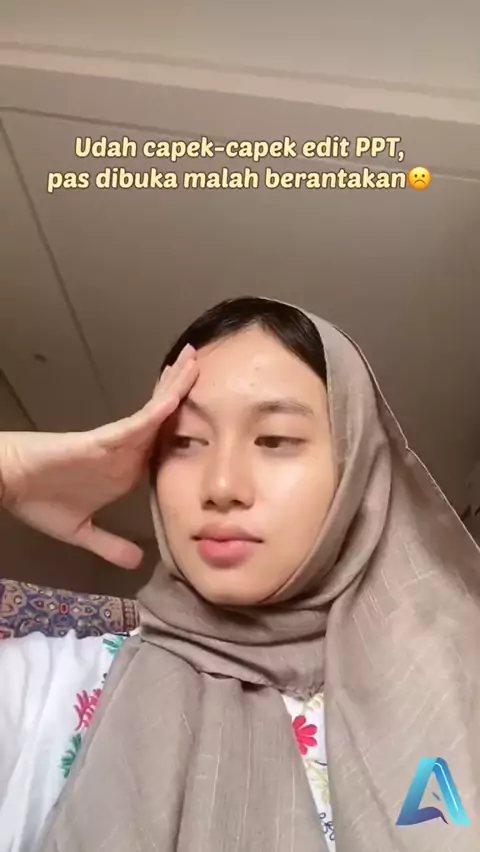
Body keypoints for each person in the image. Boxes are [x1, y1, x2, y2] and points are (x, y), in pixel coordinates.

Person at [0, 296, 479, 852]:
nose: (221, 486)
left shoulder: (455, 689)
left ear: (357, 472)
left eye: (275, 439)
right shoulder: (53, 691)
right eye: (184, 442)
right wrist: (9, 469)